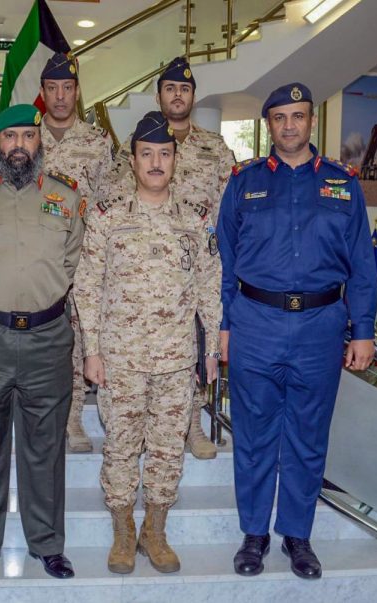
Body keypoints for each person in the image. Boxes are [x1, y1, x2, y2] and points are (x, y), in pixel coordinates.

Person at [217, 82, 377, 580]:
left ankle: (297, 536)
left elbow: (362, 265)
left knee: (308, 436)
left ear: (312, 120)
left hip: (320, 327)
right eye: (280, 117)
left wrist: (363, 329)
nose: (289, 125)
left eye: (298, 116)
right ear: (268, 124)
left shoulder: (343, 183)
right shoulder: (243, 182)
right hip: (255, 324)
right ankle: (254, 535)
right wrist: (224, 324)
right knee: (254, 435)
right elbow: (223, 261)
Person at [74, 111, 222, 574]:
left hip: (177, 360)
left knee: (166, 449)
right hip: (121, 359)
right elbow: (87, 286)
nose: (156, 163)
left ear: (175, 159)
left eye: (164, 154)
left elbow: (209, 285)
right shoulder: (108, 216)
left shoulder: (195, 219)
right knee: (120, 446)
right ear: (133, 160)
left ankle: (155, 530)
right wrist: (92, 351)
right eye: (147, 154)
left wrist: (211, 352)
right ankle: (123, 531)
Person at [0, 104, 82, 582]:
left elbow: (73, 260)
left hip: (48, 338)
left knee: (45, 447)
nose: (19, 145)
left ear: (39, 142)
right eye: (11, 137)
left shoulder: (66, 196)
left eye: (28, 136)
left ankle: (48, 544)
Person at [108, 57, 235, 460]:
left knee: (191, 348)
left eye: (184, 89)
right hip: (145, 260)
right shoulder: (134, 145)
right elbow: (115, 197)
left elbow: (230, 208)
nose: (177, 95)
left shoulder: (215, 148)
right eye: (170, 88)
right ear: (159, 95)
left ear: (193, 96)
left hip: (193, 261)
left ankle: (191, 424)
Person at [39, 51, 114, 452]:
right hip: (38, 261)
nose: (60, 96)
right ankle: (44, 419)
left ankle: (73, 422)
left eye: (67, 88)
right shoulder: (27, 137)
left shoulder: (97, 142)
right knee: (44, 344)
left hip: (85, 260)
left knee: (82, 342)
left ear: (77, 91)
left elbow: (107, 202)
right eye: (52, 88)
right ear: (43, 92)